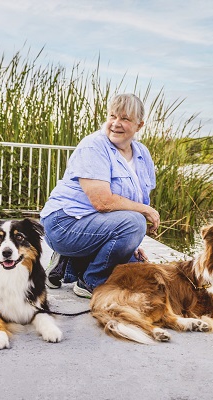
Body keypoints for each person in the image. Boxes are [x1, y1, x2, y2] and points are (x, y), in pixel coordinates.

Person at [39, 93, 160, 299]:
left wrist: (132, 244)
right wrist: (144, 213)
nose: (116, 124)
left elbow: (132, 204)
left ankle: (67, 263)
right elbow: (102, 202)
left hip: (95, 224)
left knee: (139, 269)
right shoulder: (93, 146)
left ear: (139, 126)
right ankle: (90, 282)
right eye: (112, 116)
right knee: (136, 223)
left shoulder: (142, 154)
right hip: (64, 223)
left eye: (125, 118)